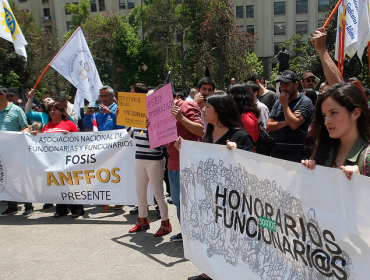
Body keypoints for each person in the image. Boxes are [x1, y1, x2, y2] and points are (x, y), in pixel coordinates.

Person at [175, 92, 254, 280]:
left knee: (228, 241)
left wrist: (237, 154)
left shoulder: (240, 136)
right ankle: (208, 274)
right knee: (211, 238)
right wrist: (185, 148)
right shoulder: (209, 133)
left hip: (230, 202)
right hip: (210, 198)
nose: (202, 109)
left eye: (207, 107)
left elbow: (251, 169)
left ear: (219, 111)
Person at [301, 83, 370, 180]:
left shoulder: (366, 157)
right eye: (324, 115)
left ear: (356, 113)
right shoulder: (324, 150)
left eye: (334, 113)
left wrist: (362, 183)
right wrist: (310, 169)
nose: (326, 121)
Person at [31, 102, 85, 218]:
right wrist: (35, 136)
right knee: (57, 184)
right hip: (52, 161)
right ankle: (61, 209)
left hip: (67, 159)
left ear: (61, 112)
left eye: (55, 109)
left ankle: (77, 209)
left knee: (71, 184)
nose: (52, 112)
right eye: (50, 110)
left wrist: (69, 135)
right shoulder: (45, 126)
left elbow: (79, 140)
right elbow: (41, 143)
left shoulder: (69, 123)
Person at [168, 79, 206, 242]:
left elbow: (200, 130)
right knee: (178, 203)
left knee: (192, 202)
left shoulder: (186, 106)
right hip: (172, 164)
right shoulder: (160, 114)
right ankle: (186, 234)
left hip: (188, 164)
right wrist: (151, 127)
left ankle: (197, 235)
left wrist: (180, 117)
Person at [127, 119, 172, 237]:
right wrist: (124, 120)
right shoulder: (138, 122)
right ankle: (142, 220)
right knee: (140, 191)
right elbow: (133, 134)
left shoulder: (158, 121)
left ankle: (165, 223)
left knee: (158, 194)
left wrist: (150, 129)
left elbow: (161, 143)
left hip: (154, 160)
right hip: (139, 159)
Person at [266, 70, 314, 163]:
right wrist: (287, 120)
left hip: (296, 153)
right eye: (282, 85)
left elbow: (294, 125)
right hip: (277, 151)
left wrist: (285, 104)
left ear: (296, 84)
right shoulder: (278, 102)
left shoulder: (305, 102)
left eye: (287, 85)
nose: (283, 88)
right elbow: (269, 126)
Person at [0, 86, 33, 218]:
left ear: (3, 95)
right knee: (5, 179)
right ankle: (11, 206)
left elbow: (25, 128)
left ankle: (28, 205)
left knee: (21, 179)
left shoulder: (16, 110)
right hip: (2, 154)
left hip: (15, 151)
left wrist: (17, 136)